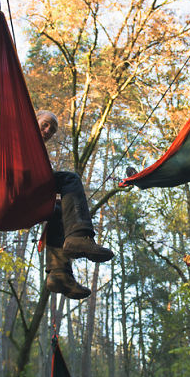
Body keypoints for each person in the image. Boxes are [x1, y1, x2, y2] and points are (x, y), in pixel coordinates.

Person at [36, 110, 114, 300]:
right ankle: (79, 236)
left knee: (59, 210)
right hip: (17, 186)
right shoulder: (22, 137)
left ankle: (59, 273)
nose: (47, 131)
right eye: (45, 124)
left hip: (29, 193)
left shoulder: (39, 154)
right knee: (70, 179)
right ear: (33, 119)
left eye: (52, 130)